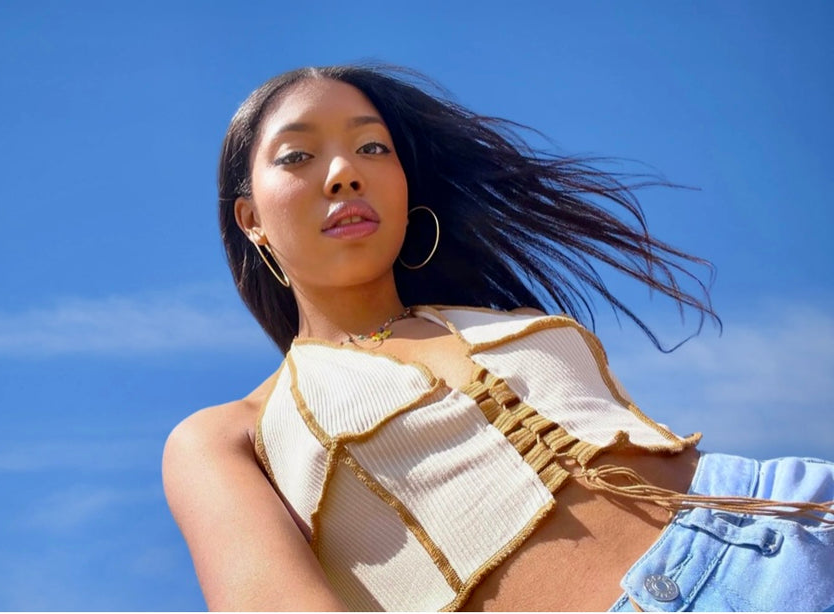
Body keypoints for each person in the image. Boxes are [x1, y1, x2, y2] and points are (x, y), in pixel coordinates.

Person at [162, 64, 834, 612]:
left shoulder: (496, 315)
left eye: (373, 147)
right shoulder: (230, 436)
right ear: (251, 217)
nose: (344, 172)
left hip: (789, 518)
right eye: (299, 155)